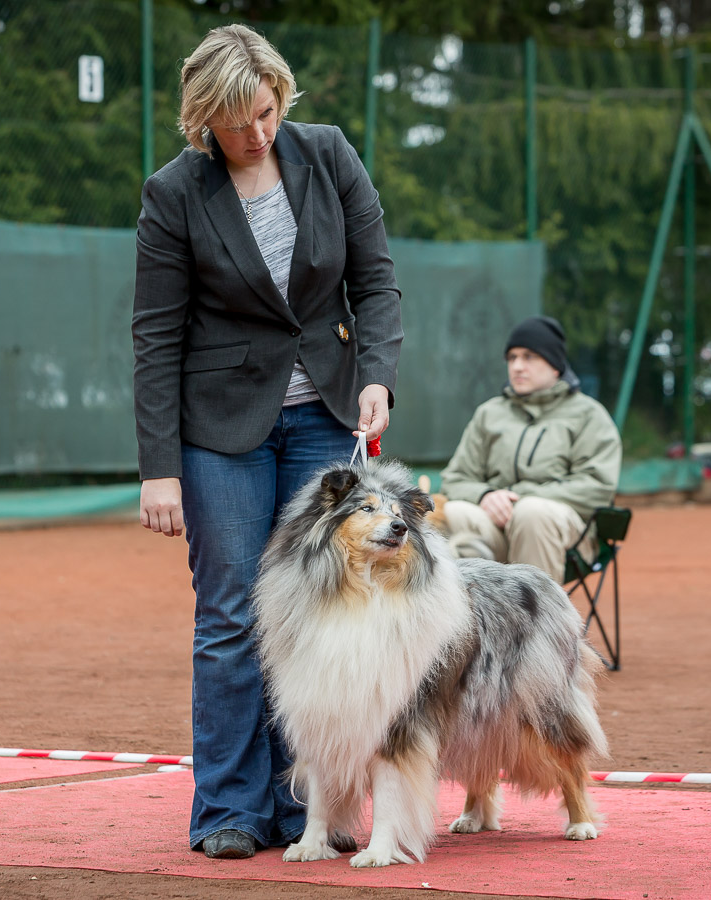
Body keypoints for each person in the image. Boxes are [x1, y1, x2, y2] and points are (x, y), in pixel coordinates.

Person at [131, 24, 402, 860]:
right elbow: (155, 336)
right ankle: (228, 809)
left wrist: (377, 378)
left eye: (267, 111)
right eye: (236, 120)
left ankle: (305, 811)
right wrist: (159, 470)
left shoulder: (329, 154)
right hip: (220, 432)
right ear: (203, 118)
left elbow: (376, 282)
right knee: (230, 616)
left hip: (325, 417)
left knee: (317, 612)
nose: (257, 131)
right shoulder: (174, 193)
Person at [440, 316, 621, 584]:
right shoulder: (490, 413)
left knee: (531, 512)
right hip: (497, 528)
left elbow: (597, 487)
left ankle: (538, 611)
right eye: (512, 358)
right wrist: (485, 495)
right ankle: (469, 609)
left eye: (529, 357)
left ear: (555, 365)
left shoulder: (588, 415)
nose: (517, 366)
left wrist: (519, 498)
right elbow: (455, 479)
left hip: (565, 533)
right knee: (451, 512)